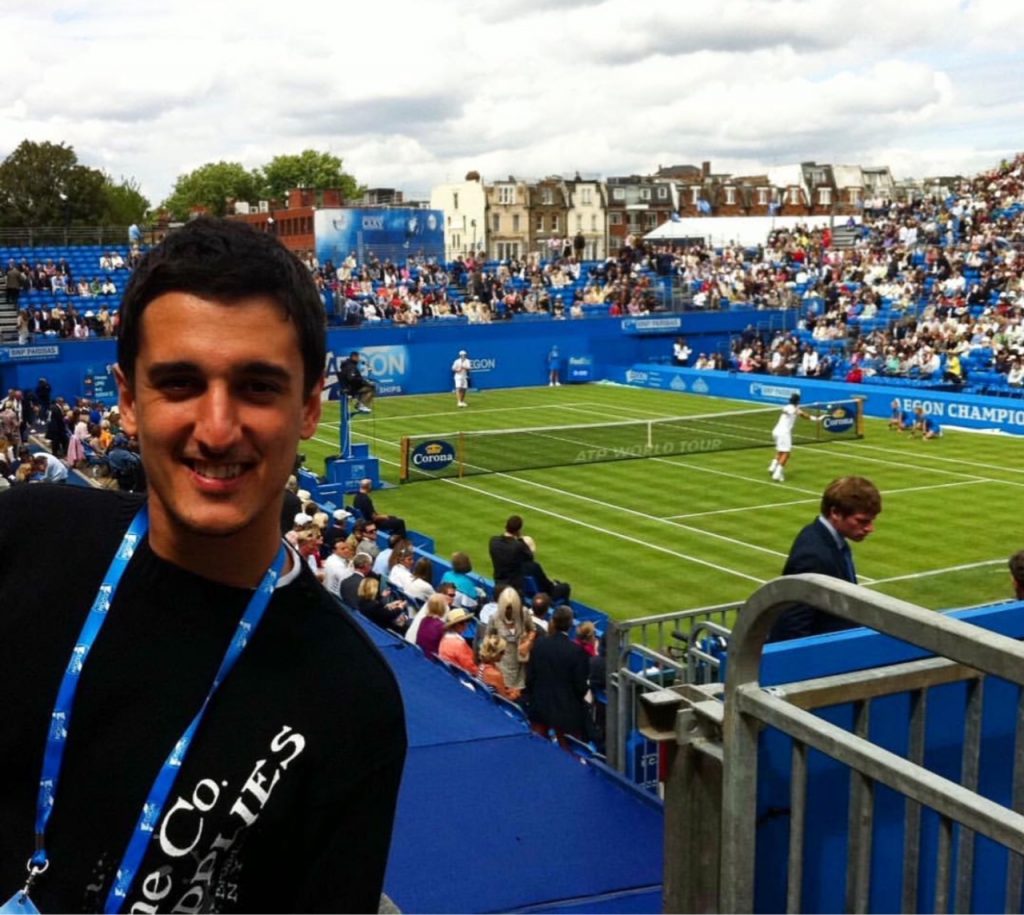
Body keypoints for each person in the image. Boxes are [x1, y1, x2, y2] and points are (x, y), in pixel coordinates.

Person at [0, 217, 406, 913]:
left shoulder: (351, 701)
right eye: (181, 383)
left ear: (309, 406)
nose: (217, 428)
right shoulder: (23, 540)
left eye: (257, 387)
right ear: (128, 401)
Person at [767, 476, 882, 642]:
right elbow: (793, 624)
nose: (870, 528)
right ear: (835, 513)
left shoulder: (830, 540)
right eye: (862, 521)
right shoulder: (813, 555)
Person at [525, 605, 590, 749]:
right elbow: (581, 687)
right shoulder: (576, 652)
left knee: (538, 747)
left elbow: (530, 677)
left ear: (553, 621)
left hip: (540, 705)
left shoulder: (539, 644)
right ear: (571, 624)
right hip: (565, 712)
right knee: (569, 753)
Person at [768, 393, 819, 483]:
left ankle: (773, 466)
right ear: (798, 401)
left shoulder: (789, 407)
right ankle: (777, 474)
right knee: (786, 454)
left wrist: (815, 418)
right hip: (783, 433)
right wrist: (815, 418)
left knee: (781, 451)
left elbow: (801, 414)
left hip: (776, 431)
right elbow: (801, 414)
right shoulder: (791, 408)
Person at [489, 514, 534, 598]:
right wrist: (521, 539)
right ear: (518, 530)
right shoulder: (518, 546)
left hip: (498, 585)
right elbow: (530, 558)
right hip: (514, 590)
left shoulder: (493, 541)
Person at [478, 634, 522, 700]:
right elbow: (505, 700)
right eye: (502, 652)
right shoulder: (495, 674)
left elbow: (497, 689)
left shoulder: (481, 666)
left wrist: (509, 690)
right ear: (495, 653)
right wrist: (515, 694)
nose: (504, 654)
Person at [438, 607, 478, 675]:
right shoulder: (459, 644)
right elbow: (472, 668)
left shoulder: (445, 639)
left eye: (466, 621)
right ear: (454, 625)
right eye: (461, 623)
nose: (465, 625)